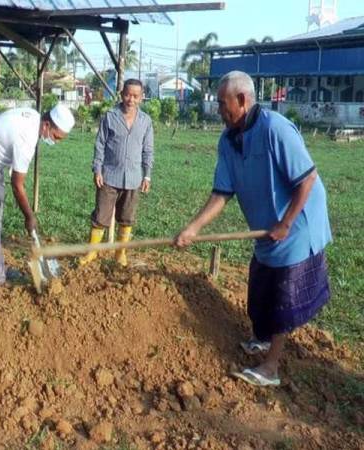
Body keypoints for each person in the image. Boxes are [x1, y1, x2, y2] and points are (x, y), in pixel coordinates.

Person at [174, 71, 332, 387]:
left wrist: (285, 223)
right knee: (260, 286)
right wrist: (192, 228)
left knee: (282, 295)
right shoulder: (227, 141)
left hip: (298, 223)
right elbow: (222, 193)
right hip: (266, 228)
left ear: (243, 100)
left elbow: (307, 179)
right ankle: (260, 339)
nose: (218, 109)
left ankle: (271, 367)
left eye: (222, 103)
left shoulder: (276, 129)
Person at [0, 104, 75, 284]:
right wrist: (29, 216)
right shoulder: (27, 138)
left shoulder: (33, 117)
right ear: (46, 125)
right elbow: (17, 184)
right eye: (55, 137)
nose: (55, 141)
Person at [78, 79, 154, 267]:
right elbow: (100, 145)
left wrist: (147, 175)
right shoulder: (110, 116)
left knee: (127, 218)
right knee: (100, 216)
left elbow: (148, 150)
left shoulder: (145, 121)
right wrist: (97, 168)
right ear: (121, 94)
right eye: (128, 95)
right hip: (109, 176)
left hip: (134, 178)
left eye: (136, 96)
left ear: (141, 97)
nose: (131, 99)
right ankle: (92, 252)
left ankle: (120, 253)